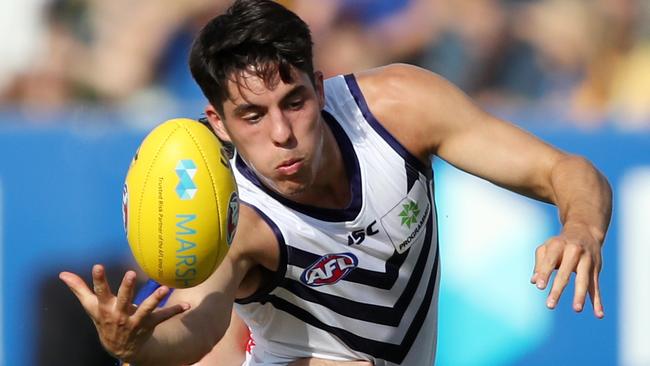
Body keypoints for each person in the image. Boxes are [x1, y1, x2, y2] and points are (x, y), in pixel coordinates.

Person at [59, 0, 612, 365]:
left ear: (320, 89)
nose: (283, 133)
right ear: (218, 123)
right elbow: (197, 328)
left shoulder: (400, 108)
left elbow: (567, 171)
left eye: (294, 102)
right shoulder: (239, 219)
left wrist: (582, 227)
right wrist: (134, 345)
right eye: (252, 116)